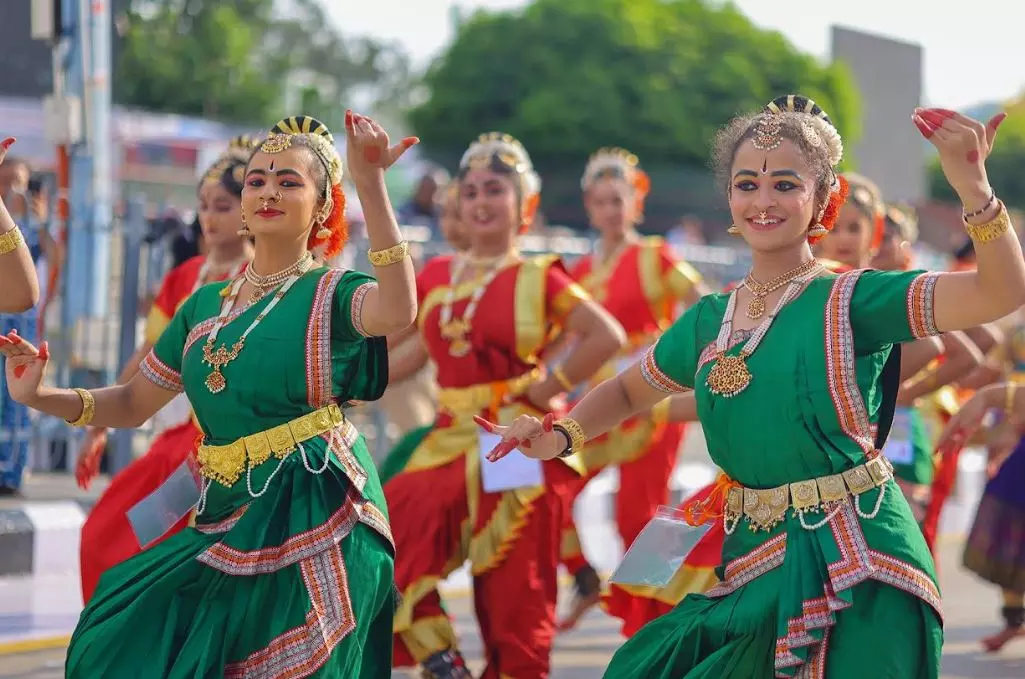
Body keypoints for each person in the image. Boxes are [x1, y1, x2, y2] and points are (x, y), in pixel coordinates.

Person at [482, 96, 1022, 677]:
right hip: (754, 557)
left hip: (857, 563)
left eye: (785, 185)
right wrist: (561, 433)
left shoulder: (853, 298)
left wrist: (973, 188)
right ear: (730, 203)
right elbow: (629, 390)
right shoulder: (708, 319)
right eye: (747, 185)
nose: (763, 201)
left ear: (823, 200)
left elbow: (999, 293)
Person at [1, 112, 417, 677]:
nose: (268, 190)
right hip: (222, 509)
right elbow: (131, 401)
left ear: (322, 207)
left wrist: (371, 185)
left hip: (317, 509)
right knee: (119, 635)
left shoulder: (333, 293)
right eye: (257, 180)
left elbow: (399, 310)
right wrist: (41, 394)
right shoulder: (203, 307)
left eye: (289, 182)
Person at [384, 132, 624, 678]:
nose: (481, 202)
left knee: (515, 597)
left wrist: (545, 388)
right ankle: (440, 657)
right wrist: (334, 381)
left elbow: (604, 335)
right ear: (457, 206)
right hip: (446, 439)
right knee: (384, 542)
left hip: (512, 441)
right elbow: (410, 356)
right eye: (470, 192)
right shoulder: (439, 277)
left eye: (495, 189)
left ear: (524, 205)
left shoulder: (540, 275)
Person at [73, 136, 257, 602]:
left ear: (249, 210)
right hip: (181, 450)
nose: (209, 218)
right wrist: (99, 421)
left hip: (228, 449)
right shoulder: (185, 277)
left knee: (166, 549)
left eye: (222, 205)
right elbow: (149, 354)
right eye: (203, 206)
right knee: (111, 536)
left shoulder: (259, 281)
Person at [559, 147, 708, 630]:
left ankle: (649, 623)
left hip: (654, 395)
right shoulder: (580, 272)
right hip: (603, 401)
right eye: (601, 201)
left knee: (637, 516)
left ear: (635, 203)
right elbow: (563, 336)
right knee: (553, 488)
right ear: (589, 207)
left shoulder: (656, 256)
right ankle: (584, 575)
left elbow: (703, 309)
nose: (610, 210)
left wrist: (694, 361)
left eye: (618, 199)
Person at [940, 325, 1025, 653]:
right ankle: (1013, 619)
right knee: (1009, 533)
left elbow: (985, 371)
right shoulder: (1016, 332)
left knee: (1010, 531)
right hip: (1011, 430)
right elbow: (987, 373)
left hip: (1010, 427)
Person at [0, 137, 40, 313]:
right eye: (5, 181)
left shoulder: (36, 225)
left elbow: (24, 294)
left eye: (17, 182)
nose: (12, 189)